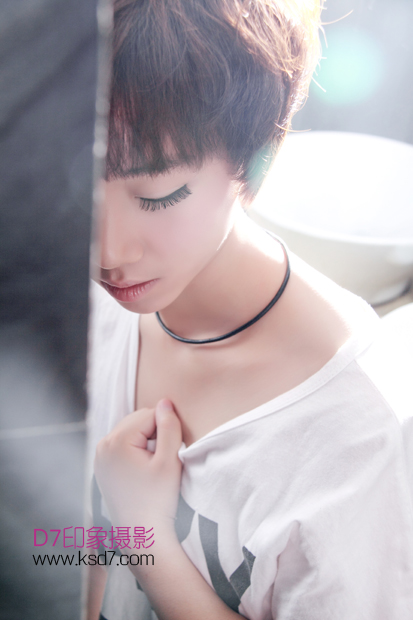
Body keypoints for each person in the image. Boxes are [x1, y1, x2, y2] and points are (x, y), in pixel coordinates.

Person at [87, 1, 413, 618]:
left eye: (158, 196)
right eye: (79, 185)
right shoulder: (94, 304)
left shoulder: (357, 433)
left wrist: (145, 538)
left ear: (255, 161)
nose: (107, 252)